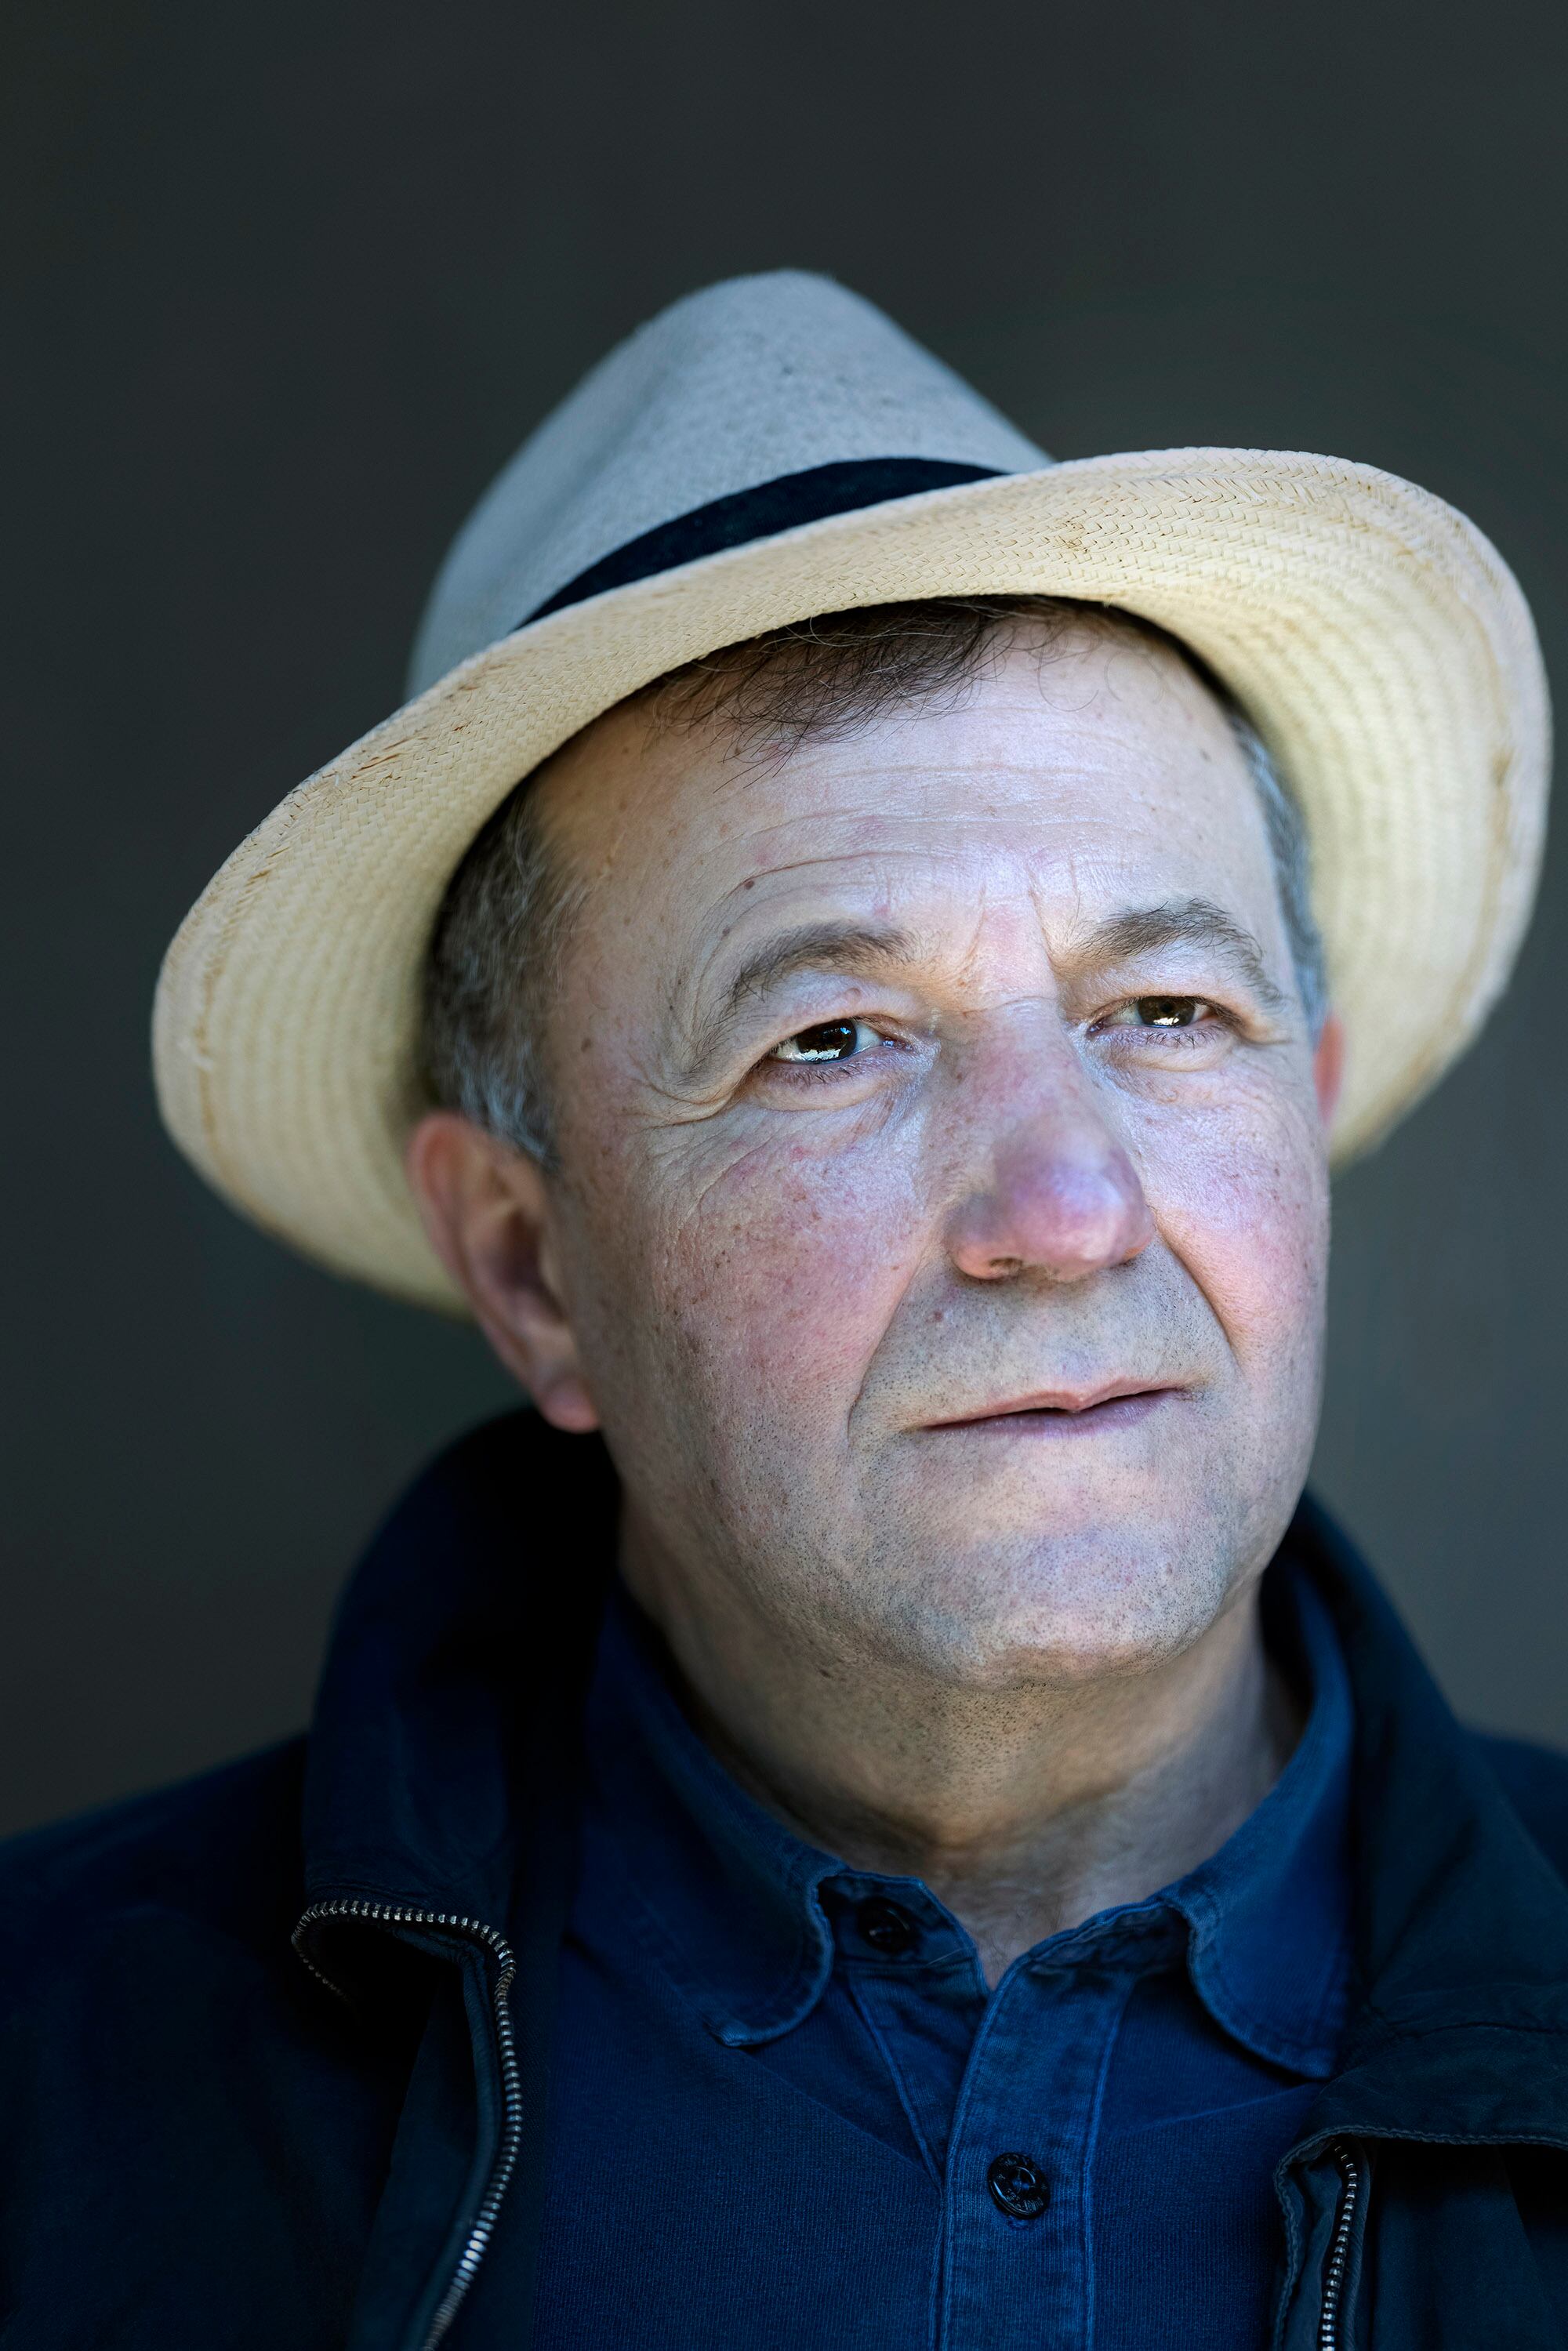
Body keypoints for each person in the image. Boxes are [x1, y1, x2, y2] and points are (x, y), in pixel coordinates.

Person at [3, 273, 1566, 2351]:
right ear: (529, 1267)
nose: (1067, 1208)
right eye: (830, 1040)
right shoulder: (55, 2100)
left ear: (1314, 1096)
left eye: (1169, 1012)